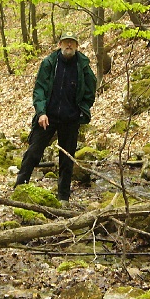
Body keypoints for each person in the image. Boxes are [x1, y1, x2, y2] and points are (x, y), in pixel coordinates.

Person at [15, 31, 97, 207]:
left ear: (76, 46)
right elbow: (39, 90)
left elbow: (91, 89)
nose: (69, 45)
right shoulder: (49, 63)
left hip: (71, 119)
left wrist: (83, 110)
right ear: (59, 44)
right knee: (34, 151)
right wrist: (41, 112)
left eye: (72, 43)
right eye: (66, 42)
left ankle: (63, 198)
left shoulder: (82, 66)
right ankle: (19, 187)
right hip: (48, 117)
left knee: (67, 160)